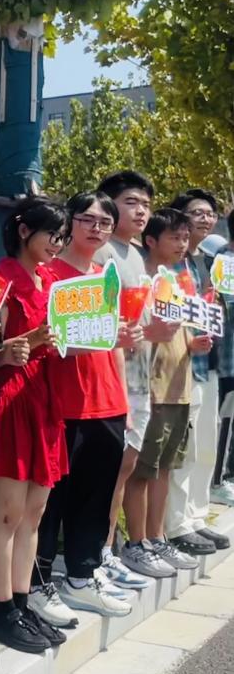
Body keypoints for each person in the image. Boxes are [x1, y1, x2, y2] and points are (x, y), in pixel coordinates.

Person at [29, 192, 137, 624]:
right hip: (62, 403)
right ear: (69, 223)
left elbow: (115, 347)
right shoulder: (49, 274)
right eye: (87, 219)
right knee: (50, 502)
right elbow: (44, 341)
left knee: (95, 498)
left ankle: (81, 576)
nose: (96, 228)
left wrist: (123, 399)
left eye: (105, 222)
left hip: (106, 402)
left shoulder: (105, 277)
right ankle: (37, 582)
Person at [0, 197, 68, 654]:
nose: (58, 244)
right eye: (52, 234)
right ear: (22, 231)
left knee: (34, 513)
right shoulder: (1, 281)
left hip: (45, 399)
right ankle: (1, 612)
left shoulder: (52, 282)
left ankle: (20, 601)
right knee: (7, 513)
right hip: (13, 399)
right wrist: (15, 348)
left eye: (62, 236)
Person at [120, 209, 208, 579]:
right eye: (175, 237)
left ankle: (157, 538)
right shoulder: (144, 281)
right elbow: (136, 335)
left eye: (185, 238)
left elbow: (180, 333)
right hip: (151, 390)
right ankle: (137, 542)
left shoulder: (178, 281)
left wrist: (195, 344)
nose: (182, 244)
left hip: (180, 387)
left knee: (165, 469)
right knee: (142, 471)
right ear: (151, 241)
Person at [92, 171, 157, 592]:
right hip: (110, 378)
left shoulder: (136, 254)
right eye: (131, 202)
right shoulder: (101, 253)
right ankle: (95, 553)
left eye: (146, 204)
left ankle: (107, 549)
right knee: (109, 469)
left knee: (126, 466)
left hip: (138, 374)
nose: (141, 211)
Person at [164, 189, 230, 554]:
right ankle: (176, 524)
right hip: (180, 366)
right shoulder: (171, 262)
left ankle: (196, 516)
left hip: (208, 363)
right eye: (197, 212)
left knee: (205, 445)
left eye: (210, 213)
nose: (205, 219)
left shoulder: (205, 261)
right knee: (183, 450)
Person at [212, 218, 234, 506]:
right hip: (228, 359)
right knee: (224, 421)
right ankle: (217, 482)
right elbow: (226, 305)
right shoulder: (225, 263)